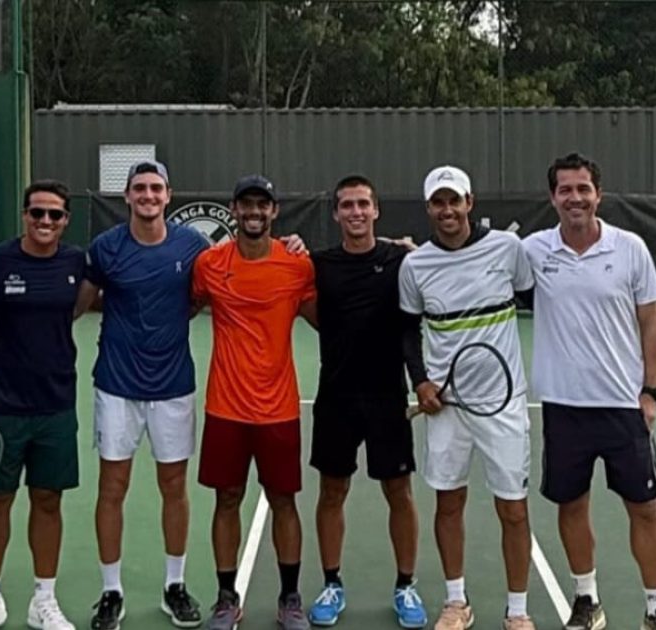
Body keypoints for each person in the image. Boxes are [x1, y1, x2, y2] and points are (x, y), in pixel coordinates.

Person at [522, 153, 656, 630]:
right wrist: (398, 245)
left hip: (623, 408)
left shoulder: (630, 248)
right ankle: (586, 600)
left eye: (583, 188)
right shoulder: (533, 251)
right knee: (572, 504)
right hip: (564, 408)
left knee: (645, 508)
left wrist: (650, 392)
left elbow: (650, 323)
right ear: (552, 198)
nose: (575, 198)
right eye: (565, 190)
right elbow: (471, 252)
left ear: (598, 194)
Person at [397, 165, 536, 630]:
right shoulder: (415, 265)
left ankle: (517, 611)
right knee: (448, 504)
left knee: (513, 510)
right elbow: (407, 329)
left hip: (503, 404)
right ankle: (457, 602)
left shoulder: (507, 249)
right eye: (438, 202)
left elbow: (530, 294)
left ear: (469, 203)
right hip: (446, 410)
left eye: (454, 200)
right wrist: (420, 381)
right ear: (429, 209)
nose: (448, 210)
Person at [77, 160, 207, 630]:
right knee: (113, 488)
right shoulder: (106, 248)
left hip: (173, 388)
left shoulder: (192, 246)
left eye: (156, 188)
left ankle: (175, 585)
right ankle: (111, 591)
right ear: (127, 197)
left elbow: (199, 298)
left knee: (174, 487)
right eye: (140, 189)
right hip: (116, 387)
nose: (148, 195)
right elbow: (82, 302)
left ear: (168, 195)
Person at [191, 175, 317, 630]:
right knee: (227, 499)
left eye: (262, 205)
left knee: (284, 500)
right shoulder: (209, 264)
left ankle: (290, 598)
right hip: (224, 408)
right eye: (246, 205)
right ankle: (226, 599)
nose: (254, 213)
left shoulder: (297, 267)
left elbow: (329, 320)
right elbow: (183, 306)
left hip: (279, 409)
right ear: (234, 209)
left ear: (275, 212)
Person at [305, 175, 428, 628]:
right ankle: (332, 583)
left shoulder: (401, 259)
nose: (355, 212)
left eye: (363, 204)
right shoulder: (319, 264)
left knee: (399, 491)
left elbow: (439, 271)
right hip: (336, 397)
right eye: (346, 205)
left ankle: (406, 585)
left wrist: (415, 251)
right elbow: (309, 307)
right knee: (332, 491)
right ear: (336, 214)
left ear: (376, 210)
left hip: (387, 397)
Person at [0, 180, 84, 630]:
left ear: (66, 221)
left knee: (48, 500)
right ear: (25, 216)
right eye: (37, 213)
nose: (45, 222)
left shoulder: (76, 262)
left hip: (56, 404)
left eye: (54, 215)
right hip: (1, 405)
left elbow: (85, 302)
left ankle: (43, 600)